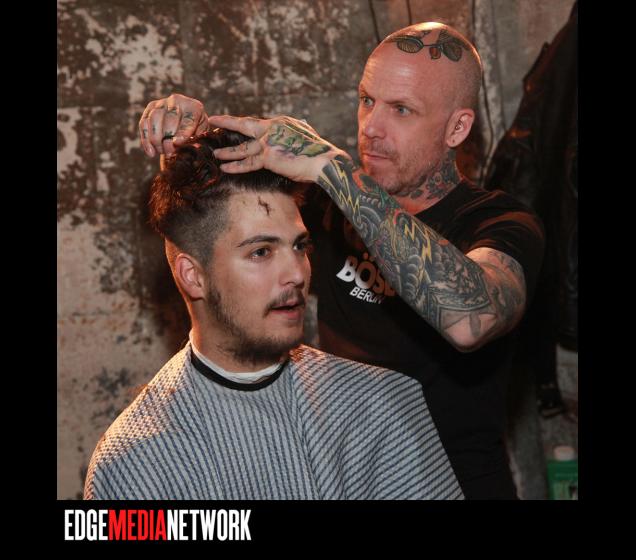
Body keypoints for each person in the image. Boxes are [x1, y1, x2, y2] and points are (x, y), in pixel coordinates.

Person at [138, 22, 545, 499]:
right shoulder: (329, 204)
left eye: (401, 109)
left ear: (457, 127)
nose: (371, 127)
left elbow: (471, 319)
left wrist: (332, 168)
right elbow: (216, 226)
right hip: (350, 483)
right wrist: (188, 138)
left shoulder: (501, 222)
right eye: (367, 100)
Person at [84, 128, 463, 500]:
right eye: (261, 252)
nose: (297, 274)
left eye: (300, 247)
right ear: (193, 276)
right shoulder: (136, 463)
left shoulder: (380, 404)